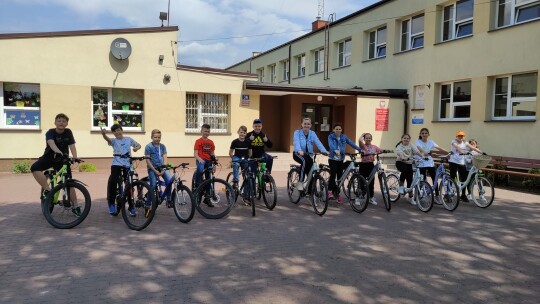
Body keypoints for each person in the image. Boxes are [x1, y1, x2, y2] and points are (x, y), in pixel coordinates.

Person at [31, 113, 81, 216]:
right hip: (49, 157)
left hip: (63, 159)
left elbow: (72, 145)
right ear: (55, 123)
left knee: (69, 182)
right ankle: (48, 190)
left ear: (67, 123)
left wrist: (75, 157)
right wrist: (58, 152)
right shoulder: (50, 132)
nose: (61, 123)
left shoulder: (68, 132)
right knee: (34, 168)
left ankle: (75, 206)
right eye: (59, 121)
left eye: (63, 121)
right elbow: (51, 142)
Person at [101, 124, 141, 215]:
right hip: (116, 164)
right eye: (115, 131)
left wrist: (136, 148)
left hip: (127, 164)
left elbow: (139, 145)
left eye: (118, 130)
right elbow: (107, 139)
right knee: (113, 181)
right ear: (113, 133)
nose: (117, 132)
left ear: (122, 130)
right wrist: (103, 134)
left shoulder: (128, 139)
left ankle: (131, 207)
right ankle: (111, 203)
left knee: (129, 186)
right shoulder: (114, 141)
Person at [327, 123, 362, 204]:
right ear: (333, 130)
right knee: (333, 174)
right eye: (336, 129)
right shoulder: (331, 137)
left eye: (339, 129)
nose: (338, 130)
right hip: (332, 158)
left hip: (341, 159)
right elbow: (330, 144)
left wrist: (359, 149)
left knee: (340, 177)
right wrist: (335, 149)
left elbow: (351, 143)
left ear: (341, 130)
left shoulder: (344, 137)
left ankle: (337, 193)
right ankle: (329, 191)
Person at [292, 117, 328, 190]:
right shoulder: (297, 132)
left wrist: (324, 150)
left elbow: (318, 142)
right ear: (302, 124)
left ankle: (310, 191)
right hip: (298, 154)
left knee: (310, 172)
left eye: (308, 124)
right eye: (305, 124)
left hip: (308, 154)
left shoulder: (312, 133)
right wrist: (299, 150)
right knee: (304, 161)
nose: (306, 125)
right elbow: (296, 142)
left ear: (310, 125)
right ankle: (300, 182)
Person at [415, 128, 449, 203]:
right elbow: (420, 149)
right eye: (423, 133)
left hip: (429, 162)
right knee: (422, 179)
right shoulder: (418, 141)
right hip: (421, 162)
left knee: (435, 179)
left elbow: (439, 148)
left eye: (426, 133)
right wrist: (426, 153)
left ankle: (436, 195)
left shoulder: (431, 142)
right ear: (420, 134)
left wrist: (449, 152)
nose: (424, 134)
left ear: (428, 134)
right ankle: (418, 195)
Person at [449, 131, 482, 202]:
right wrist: (463, 151)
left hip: (461, 162)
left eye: (462, 136)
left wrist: (481, 152)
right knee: (452, 177)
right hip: (453, 162)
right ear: (456, 137)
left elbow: (473, 148)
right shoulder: (453, 141)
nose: (461, 137)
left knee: (464, 179)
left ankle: (463, 195)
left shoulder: (465, 143)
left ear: (464, 137)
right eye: (459, 136)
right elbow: (457, 147)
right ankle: (448, 192)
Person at [395, 133, 426, 204]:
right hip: (400, 162)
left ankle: (410, 197)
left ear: (409, 139)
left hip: (409, 163)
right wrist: (404, 157)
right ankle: (401, 187)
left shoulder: (411, 145)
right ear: (402, 139)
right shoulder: (399, 146)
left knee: (410, 180)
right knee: (405, 171)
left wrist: (422, 156)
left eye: (407, 138)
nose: (406, 139)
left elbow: (416, 151)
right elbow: (400, 153)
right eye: (404, 138)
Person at [145, 129, 171, 206]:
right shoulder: (148, 146)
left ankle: (169, 200)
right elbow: (148, 161)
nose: (157, 139)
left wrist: (164, 169)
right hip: (152, 168)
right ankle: (148, 203)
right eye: (155, 137)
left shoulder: (162, 146)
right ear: (151, 137)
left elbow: (165, 159)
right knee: (152, 185)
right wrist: (155, 171)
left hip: (162, 168)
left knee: (169, 181)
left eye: (159, 137)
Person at [358, 133, 383, 205]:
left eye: (369, 138)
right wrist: (363, 135)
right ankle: (359, 197)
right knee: (361, 182)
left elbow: (380, 150)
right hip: (363, 165)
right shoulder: (362, 146)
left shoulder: (374, 147)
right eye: (366, 138)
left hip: (371, 165)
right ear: (364, 139)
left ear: (371, 139)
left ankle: (371, 198)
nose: (368, 139)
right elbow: (359, 140)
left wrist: (386, 150)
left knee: (371, 182)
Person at [230, 125, 252, 204]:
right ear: (238, 132)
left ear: (246, 134)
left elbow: (250, 153)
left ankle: (246, 197)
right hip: (237, 159)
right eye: (241, 132)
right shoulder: (235, 142)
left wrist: (247, 158)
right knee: (235, 164)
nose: (242, 134)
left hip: (245, 160)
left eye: (244, 132)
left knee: (247, 178)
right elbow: (231, 152)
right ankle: (235, 180)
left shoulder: (248, 142)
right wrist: (233, 157)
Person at [194, 123, 216, 194]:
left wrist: (214, 163)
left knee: (210, 176)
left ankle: (207, 196)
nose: (206, 133)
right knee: (200, 170)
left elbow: (212, 154)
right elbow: (195, 154)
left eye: (208, 131)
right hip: (201, 159)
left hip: (209, 161)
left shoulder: (211, 142)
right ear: (201, 131)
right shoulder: (198, 141)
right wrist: (199, 159)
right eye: (205, 131)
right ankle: (198, 185)